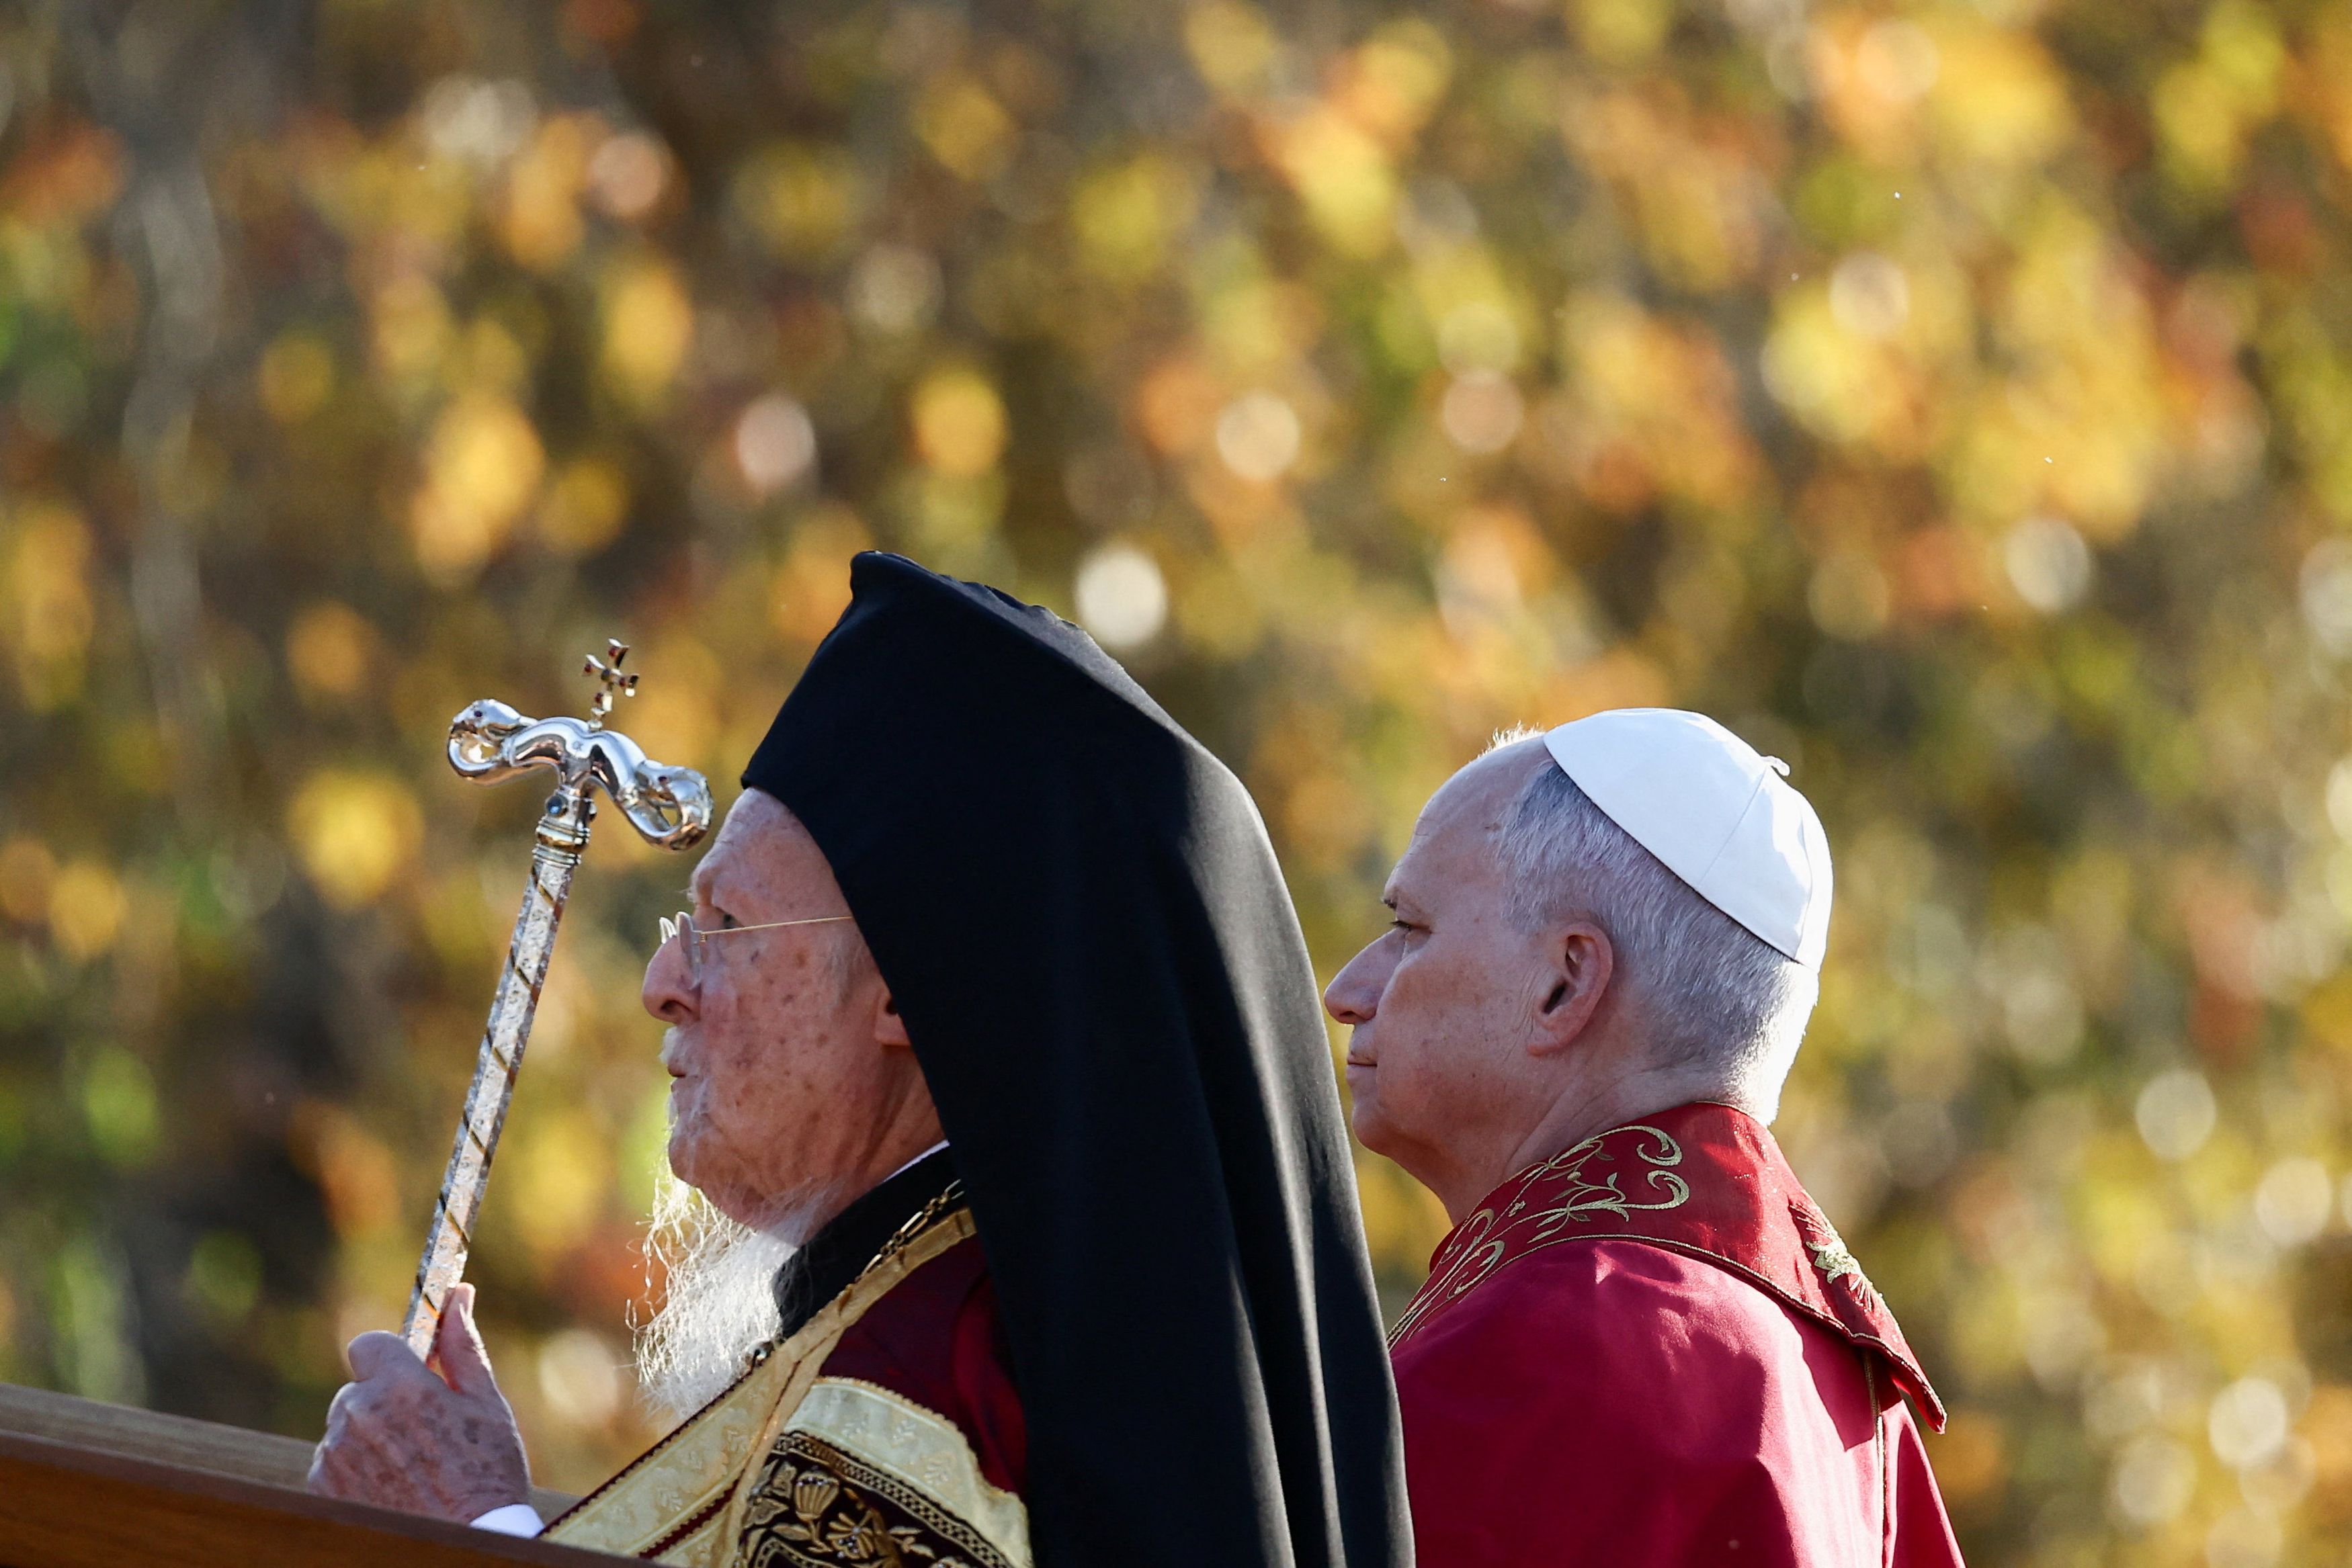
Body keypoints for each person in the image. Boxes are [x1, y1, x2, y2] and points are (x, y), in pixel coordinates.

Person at [310, 553, 1413, 1568]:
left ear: (907, 983)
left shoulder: (914, 1400)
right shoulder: (938, 1315)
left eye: (726, 924)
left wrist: (476, 1528)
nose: (664, 982)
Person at [1326, 709, 1963, 1566]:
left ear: (1563, 984)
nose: (1348, 988)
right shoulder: (1850, 1397)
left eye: (1410, 928)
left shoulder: (1542, 1348)